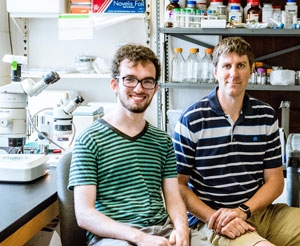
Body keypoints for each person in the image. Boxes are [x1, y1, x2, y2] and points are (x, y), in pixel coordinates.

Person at [68, 43, 209, 246]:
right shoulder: (90, 140)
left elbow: (173, 197)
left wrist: (181, 229)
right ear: (114, 84)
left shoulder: (162, 141)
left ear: (155, 88)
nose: (139, 88)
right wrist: (140, 238)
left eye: (147, 81)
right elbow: (84, 214)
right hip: (113, 238)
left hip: (162, 231)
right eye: (130, 80)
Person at [173, 37, 300, 246]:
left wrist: (244, 211)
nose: (234, 74)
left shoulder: (265, 116)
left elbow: (275, 181)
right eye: (226, 66)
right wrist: (214, 219)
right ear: (215, 71)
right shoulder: (193, 119)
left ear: (251, 70)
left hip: (260, 212)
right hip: (214, 219)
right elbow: (178, 185)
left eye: (241, 65)